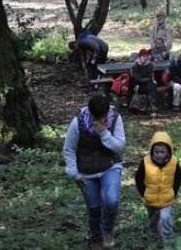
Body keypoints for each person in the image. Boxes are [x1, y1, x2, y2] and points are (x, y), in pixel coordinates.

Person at [63, 94, 126, 249]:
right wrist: (74, 173)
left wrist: (105, 133)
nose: (99, 119)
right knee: (94, 208)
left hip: (110, 166)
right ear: (89, 112)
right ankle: (95, 236)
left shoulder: (115, 118)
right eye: (95, 116)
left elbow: (120, 145)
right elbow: (69, 149)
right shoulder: (78, 123)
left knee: (111, 201)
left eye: (103, 116)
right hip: (86, 171)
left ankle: (107, 230)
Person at [134, 131, 181, 244]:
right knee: (153, 220)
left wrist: (173, 192)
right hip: (149, 199)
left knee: (166, 218)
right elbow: (138, 178)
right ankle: (154, 235)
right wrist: (144, 193)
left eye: (162, 152)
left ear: (168, 151)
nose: (159, 154)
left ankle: (168, 240)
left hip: (167, 199)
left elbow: (178, 178)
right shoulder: (145, 162)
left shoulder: (174, 162)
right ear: (152, 150)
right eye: (156, 152)